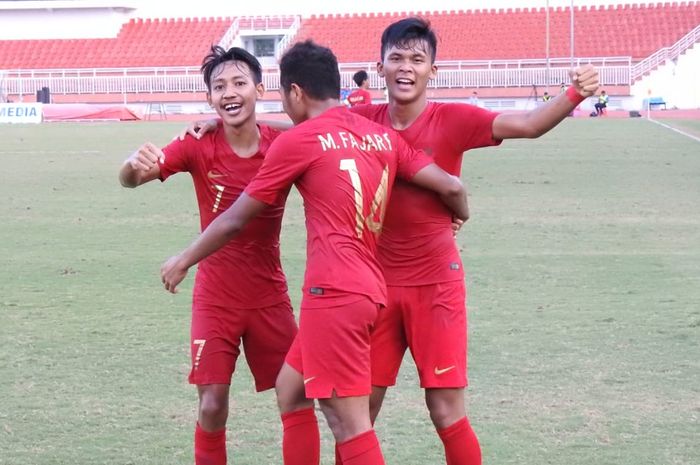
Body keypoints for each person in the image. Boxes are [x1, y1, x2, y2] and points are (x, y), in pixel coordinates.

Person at [180, 17, 600, 465]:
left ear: (432, 70)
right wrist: (226, 118)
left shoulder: (453, 118)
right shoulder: (367, 122)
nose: (405, 67)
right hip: (374, 286)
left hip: (427, 284)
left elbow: (530, 124)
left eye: (417, 59)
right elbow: (308, 125)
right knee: (354, 409)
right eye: (396, 58)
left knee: (441, 410)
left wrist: (574, 92)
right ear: (379, 67)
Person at [160, 40, 470, 465]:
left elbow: (235, 219)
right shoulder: (380, 136)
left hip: (333, 294)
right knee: (292, 389)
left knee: (349, 424)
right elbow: (453, 186)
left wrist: (183, 259)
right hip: (369, 288)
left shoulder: (298, 140)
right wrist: (458, 216)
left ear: (294, 93)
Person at [118, 46, 307, 465]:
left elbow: (317, 127)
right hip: (215, 298)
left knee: (295, 396)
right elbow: (133, 179)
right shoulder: (196, 144)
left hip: (269, 297)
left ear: (260, 89)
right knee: (212, 404)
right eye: (219, 87)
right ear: (209, 99)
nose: (229, 93)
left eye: (240, 83)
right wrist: (131, 166)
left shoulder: (284, 145)